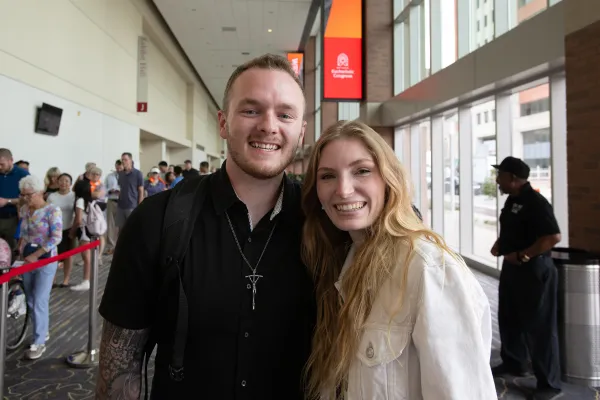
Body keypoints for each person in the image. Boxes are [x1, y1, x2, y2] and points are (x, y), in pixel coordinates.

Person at [96, 54, 315, 399]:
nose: (269, 126)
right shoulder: (157, 221)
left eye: (285, 114)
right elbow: (121, 365)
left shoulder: (322, 223)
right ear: (223, 123)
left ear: (301, 131)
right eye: (251, 110)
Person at [301, 120, 496, 399]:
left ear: (388, 179)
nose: (343, 190)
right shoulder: (339, 265)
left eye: (362, 171)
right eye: (328, 176)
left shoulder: (428, 270)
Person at [490, 156, 562, 400]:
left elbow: (552, 237)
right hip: (513, 268)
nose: (497, 180)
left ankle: (549, 383)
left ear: (512, 178)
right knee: (509, 317)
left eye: (500, 175)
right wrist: (501, 244)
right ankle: (514, 362)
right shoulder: (513, 200)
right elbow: (512, 228)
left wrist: (523, 256)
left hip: (534, 270)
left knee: (539, 327)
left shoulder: (536, 202)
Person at [17, 175, 63, 360]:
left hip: (45, 259)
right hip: (28, 259)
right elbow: (24, 233)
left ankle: (39, 341)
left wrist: (37, 255)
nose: (27, 199)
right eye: (24, 195)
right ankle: (41, 331)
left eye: (30, 195)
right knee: (29, 299)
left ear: (40, 192)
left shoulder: (52, 210)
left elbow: (56, 237)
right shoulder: (25, 210)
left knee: (39, 300)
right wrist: (20, 250)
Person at [47, 173, 76, 287]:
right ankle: (52, 279)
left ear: (70, 183)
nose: (64, 183)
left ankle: (66, 280)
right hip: (53, 229)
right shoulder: (52, 196)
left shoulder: (74, 196)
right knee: (54, 255)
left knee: (68, 254)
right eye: (61, 180)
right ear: (57, 182)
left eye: (66, 181)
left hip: (68, 228)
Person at [0, 148, 30, 250]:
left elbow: (28, 199)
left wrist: (8, 201)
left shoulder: (23, 175)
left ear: (11, 160)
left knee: (10, 247)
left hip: (12, 218)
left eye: (2, 164)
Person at [116, 152, 144, 229]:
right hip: (121, 205)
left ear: (131, 160)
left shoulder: (138, 173)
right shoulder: (121, 174)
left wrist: (140, 206)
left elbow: (141, 190)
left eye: (125, 159)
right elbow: (120, 188)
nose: (124, 162)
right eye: (122, 160)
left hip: (132, 205)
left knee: (132, 228)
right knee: (121, 228)